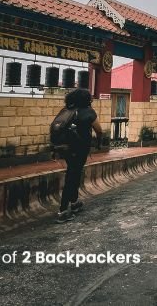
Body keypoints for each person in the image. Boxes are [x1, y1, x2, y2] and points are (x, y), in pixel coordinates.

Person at [57, 88, 103, 223]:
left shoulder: (67, 110)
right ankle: (63, 210)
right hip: (80, 148)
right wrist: (99, 143)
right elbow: (99, 130)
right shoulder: (89, 112)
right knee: (72, 176)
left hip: (66, 149)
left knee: (74, 173)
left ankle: (74, 202)